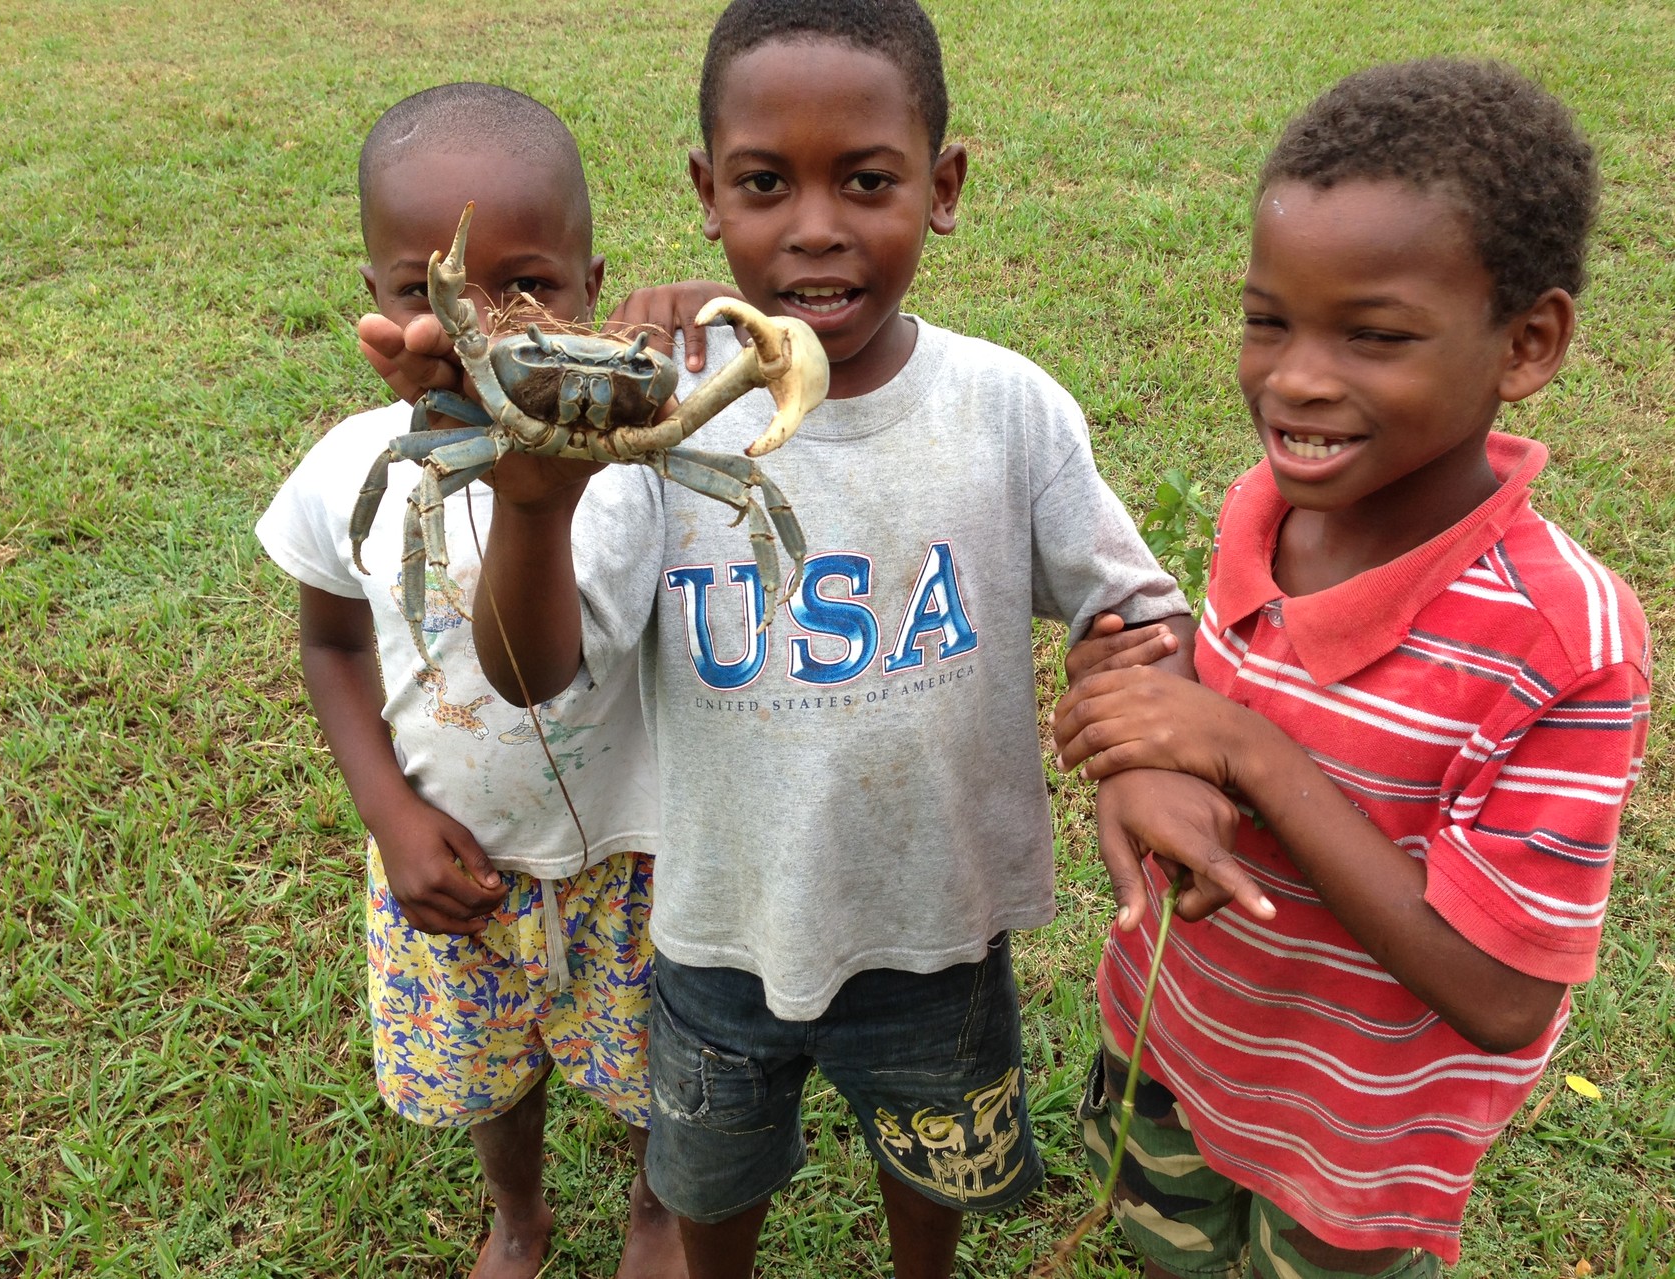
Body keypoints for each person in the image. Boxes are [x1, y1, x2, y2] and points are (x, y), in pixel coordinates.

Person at [428, 3, 1198, 1276]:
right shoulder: (655, 419)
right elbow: (528, 671)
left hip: (938, 929)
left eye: (868, 180)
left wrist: (1133, 696)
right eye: (764, 184)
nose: (816, 226)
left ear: (942, 188)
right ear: (705, 195)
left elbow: (1132, 602)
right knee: (709, 1191)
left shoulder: (1005, 408)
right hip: (721, 928)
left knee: (929, 1170)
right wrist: (532, 494)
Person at [1051, 60, 1652, 1278]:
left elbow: (1498, 996)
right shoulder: (1258, 508)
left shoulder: (1560, 641)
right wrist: (1131, 760)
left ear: (1525, 342)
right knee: (1162, 1242)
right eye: (1267, 318)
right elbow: (1200, 703)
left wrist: (1251, 759)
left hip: (1354, 1138)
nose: (1295, 378)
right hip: (1176, 1041)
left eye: (1371, 335)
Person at [256, 82, 698, 1279]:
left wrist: (532, 493)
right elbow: (332, 642)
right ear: (381, 305)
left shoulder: (632, 477)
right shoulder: (356, 465)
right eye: (429, 292)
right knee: (489, 1078)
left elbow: (532, 670)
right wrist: (387, 810)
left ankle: (657, 1213)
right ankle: (519, 1214)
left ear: (594, 292)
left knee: (657, 1072)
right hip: (449, 853)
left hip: (631, 854)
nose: (479, 327)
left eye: (528, 289)